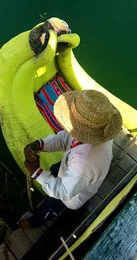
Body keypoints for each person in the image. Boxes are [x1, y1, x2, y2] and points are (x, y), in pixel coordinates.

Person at [19, 89, 122, 229]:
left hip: (71, 195)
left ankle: (34, 222)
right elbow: (64, 138)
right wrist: (40, 144)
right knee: (55, 169)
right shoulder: (100, 132)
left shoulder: (84, 164)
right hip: (75, 172)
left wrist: (36, 172)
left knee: (52, 204)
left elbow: (63, 192)